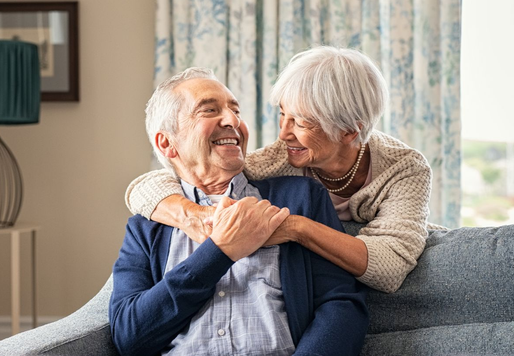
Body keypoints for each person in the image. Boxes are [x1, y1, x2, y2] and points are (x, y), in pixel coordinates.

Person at [109, 68, 369, 356]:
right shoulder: (147, 226)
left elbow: (342, 308)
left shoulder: (298, 199)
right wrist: (220, 252)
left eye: (236, 110)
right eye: (209, 110)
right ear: (168, 144)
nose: (232, 120)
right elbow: (129, 337)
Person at [125, 46, 432, 293]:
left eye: (300, 122)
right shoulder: (279, 158)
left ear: (349, 132)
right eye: (283, 115)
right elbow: (148, 186)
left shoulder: (404, 169)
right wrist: (194, 215)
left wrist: (295, 228)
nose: (284, 134)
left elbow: (390, 268)